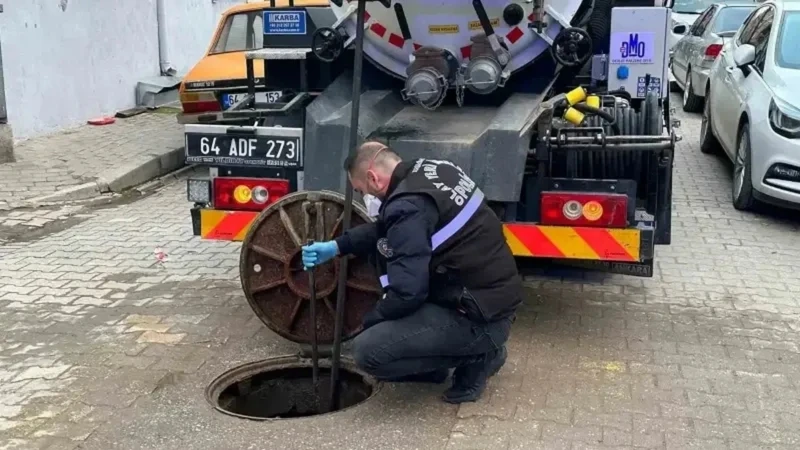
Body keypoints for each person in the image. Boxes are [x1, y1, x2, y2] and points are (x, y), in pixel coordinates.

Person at [301, 141, 523, 403]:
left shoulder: (407, 205)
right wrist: (338, 246)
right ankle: (442, 360)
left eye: (362, 191)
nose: (365, 198)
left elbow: (408, 293)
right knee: (391, 331)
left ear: (373, 178)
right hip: (490, 297)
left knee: (368, 350)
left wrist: (371, 320)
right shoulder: (429, 170)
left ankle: (481, 355)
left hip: (480, 315)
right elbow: (388, 227)